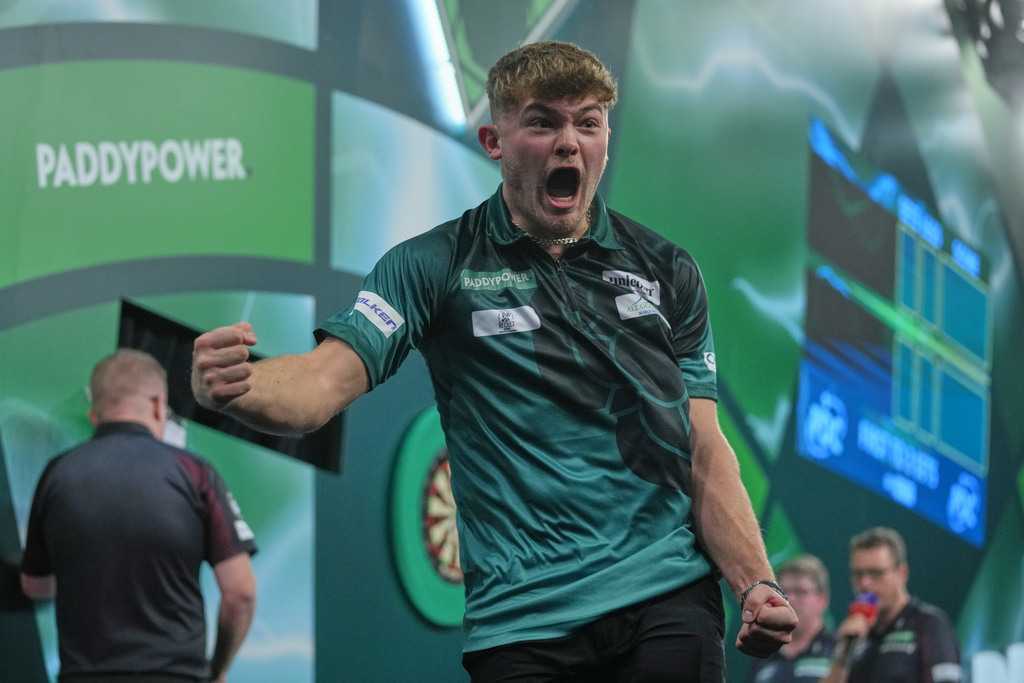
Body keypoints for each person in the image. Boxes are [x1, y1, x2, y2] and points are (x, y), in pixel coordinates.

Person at [191, 40, 795, 681]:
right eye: (542, 122)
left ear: (606, 139)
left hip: (664, 599)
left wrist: (755, 582)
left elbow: (705, 447)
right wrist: (237, 385)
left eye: (587, 122)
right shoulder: (431, 264)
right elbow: (317, 386)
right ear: (494, 140)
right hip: (520, 623)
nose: (569, 142)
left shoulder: (669, 271)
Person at [21, 349, 257, 683]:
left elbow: (35, 585)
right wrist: (217, 671)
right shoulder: (195, 473)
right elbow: (241, 593)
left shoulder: (57, 474)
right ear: (160, 406)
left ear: (94, 415)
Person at [821, 526, 961, 683]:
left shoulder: (928, 624)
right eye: (858, 574)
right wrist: (845, 649)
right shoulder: (855, 635)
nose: (864, 583)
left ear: (902, 573)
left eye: (875, 573)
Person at [748, 555, 836, 682]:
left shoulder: (837, 652)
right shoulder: (763, 657)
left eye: (800, 592)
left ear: (822, 600)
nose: (790, 600)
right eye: (783, 593)